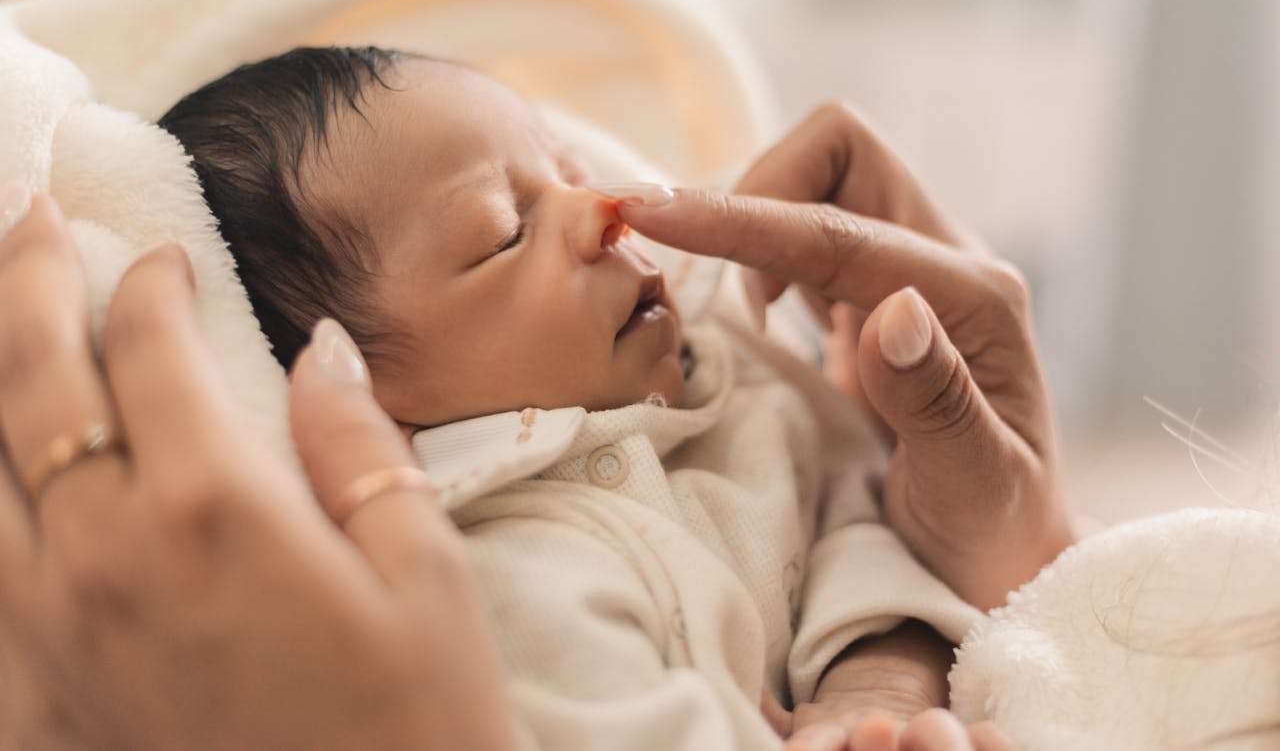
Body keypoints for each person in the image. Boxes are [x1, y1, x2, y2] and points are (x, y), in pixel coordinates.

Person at [0, 68, 1063, 748]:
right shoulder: (497, 555)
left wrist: (871, 671)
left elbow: (866, 511)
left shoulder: (741, 381)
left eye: (567, 169)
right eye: (504, 230)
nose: (598, 208)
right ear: (366, 390)